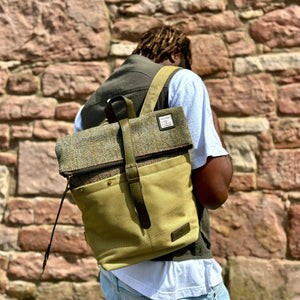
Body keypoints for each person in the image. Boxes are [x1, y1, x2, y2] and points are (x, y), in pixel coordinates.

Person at [74, 25, 233, 300]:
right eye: (188, 63)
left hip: (116, 273)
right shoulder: (182, 81)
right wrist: (213, 124)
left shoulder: (89, 107)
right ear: (175, 54)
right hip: (178, 278)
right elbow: (214, 193)